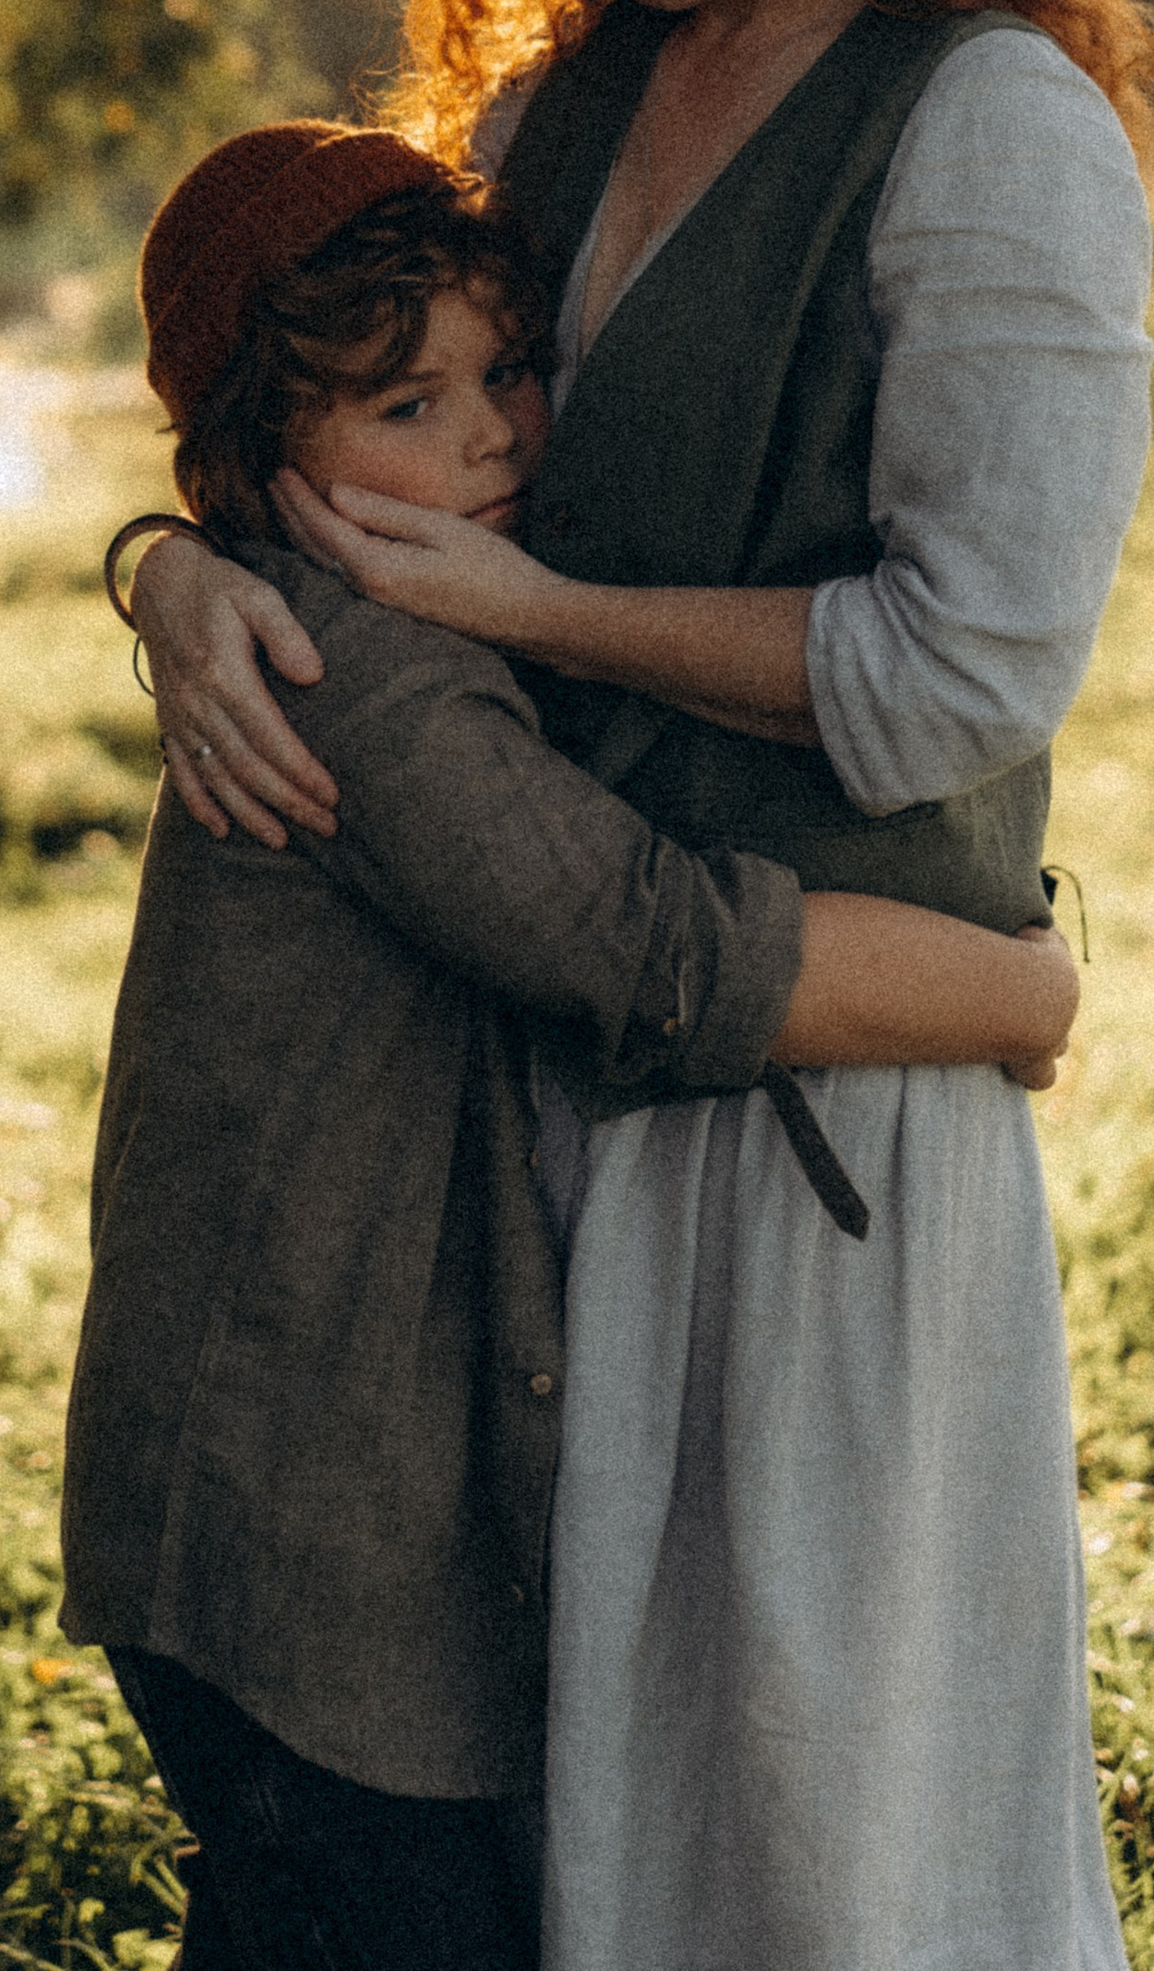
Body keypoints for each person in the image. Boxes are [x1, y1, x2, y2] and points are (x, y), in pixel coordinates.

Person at [128, 0, 1154, 1971]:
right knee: (597, 1833)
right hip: (538, 1078)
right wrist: (166, 570)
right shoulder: (548, 109)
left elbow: (952, 678)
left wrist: (538, 610)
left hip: (820, 1115)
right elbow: (337, 418)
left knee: (823, 1839)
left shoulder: (989, 129)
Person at [65, 115, 1083, 1971]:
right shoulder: (359, 675)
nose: (492, 436)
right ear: (257, 460)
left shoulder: (365, 608)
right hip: (292, 1537)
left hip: (282, 1513)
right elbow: (651, 952)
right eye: (405, 408)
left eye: (507, 371)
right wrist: (1022, 993)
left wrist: (171, 563)